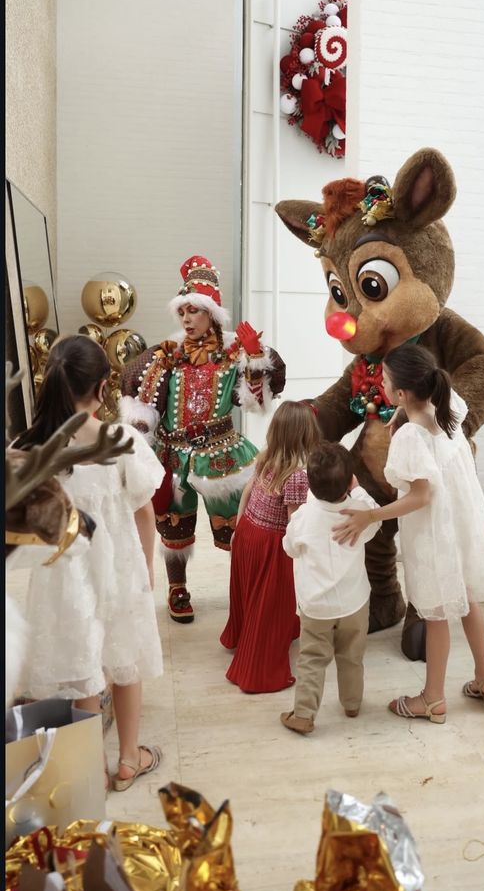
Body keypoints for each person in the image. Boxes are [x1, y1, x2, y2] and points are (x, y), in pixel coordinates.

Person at [14, 335, 165, 790]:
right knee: (127, 660)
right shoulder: (121, 440)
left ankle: (90, 770)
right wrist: (148, 570)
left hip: (64, 575)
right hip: (118, 569)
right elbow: (145, 511)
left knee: (84, 666)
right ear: (104, 388)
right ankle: (129, 760)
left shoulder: (30, 446)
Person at [333, 344, 484, 724]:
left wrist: (371, 516)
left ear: (401, 393)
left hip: (434, 532)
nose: (379, 380)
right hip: (462, 522)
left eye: (386, 379)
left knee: (438, 612)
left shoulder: (411, 437)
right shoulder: (451, 408)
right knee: (467, 598)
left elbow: (421, 495)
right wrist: (400, 412)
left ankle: (431, 699)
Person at [120, 256, 286, 623]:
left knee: (236, 527)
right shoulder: (166, 356)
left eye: (194, 311)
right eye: (182, 312)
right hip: (174, 454)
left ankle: (244, 586)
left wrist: (256, 359)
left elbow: (256, 403)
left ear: (211, 313)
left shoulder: (234, 355)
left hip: (222, 452)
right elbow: (144, 406)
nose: (186, 319)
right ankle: (177, 588)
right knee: (173, 525)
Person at [220, 401, 320, 693]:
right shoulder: (298, 475)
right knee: (271, 602)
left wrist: (238, 529)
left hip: (249, 530)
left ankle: (241, 636)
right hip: (272, 543)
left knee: (250, 594)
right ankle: (256, 671)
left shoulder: (266, 457)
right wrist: (305, 551)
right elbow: (294, 522)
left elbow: (248, 490)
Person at [279, 442, 379, 734]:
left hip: (316, 606)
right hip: (354, 602)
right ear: (351, 481)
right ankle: (352, 703)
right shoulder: (361, 513)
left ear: (309, 483)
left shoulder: (303, 518)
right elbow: (373, 521)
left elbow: (289, 550)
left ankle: (304, 714)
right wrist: (358, 491)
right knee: (352, 655)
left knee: (312, 658)